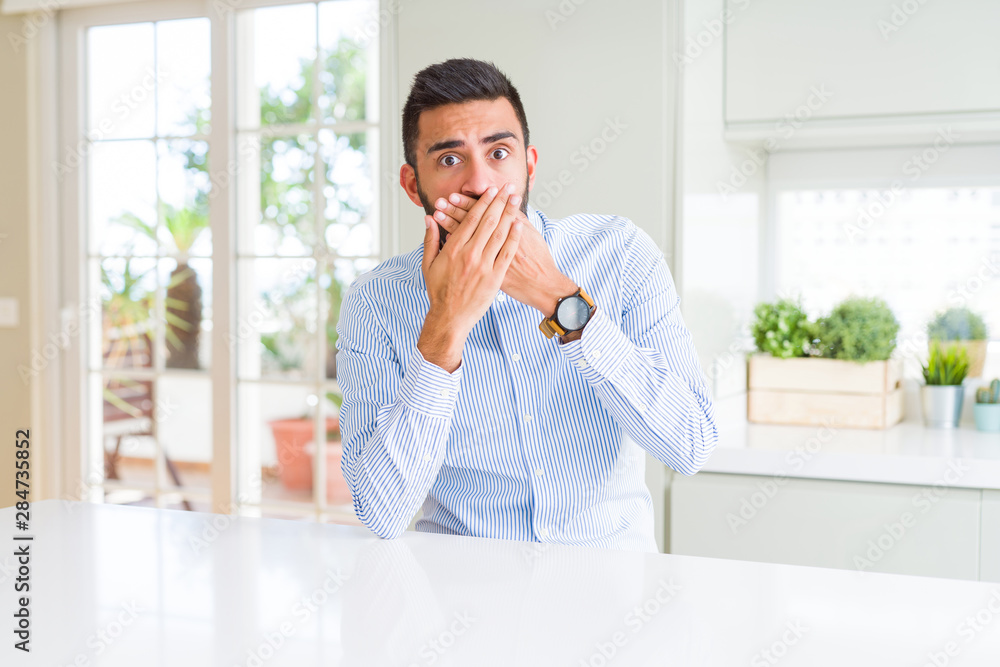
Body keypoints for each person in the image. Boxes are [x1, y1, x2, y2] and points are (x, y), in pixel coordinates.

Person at [336, 58, 717, 553]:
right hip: (462, 586)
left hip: (613, 584)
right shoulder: (374, 303)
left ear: (529, 165)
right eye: (449, 160)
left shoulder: (621, 254)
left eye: (498, 153)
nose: (480, 183)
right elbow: (381, 512)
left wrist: (557, 297)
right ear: (414, 185)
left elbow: (690, 444)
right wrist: (446, 322)